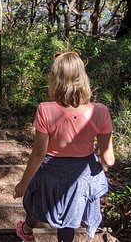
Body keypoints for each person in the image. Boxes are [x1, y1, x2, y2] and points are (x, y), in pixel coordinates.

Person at [13, 51, 115, 242]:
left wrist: (23, 182)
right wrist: (102, 163)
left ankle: (26, 230)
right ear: (82, 77)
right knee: (70, 218)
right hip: (81, 176)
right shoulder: (100, 111)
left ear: (56, 79)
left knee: (38, 199)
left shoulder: (46, 109)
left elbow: (38, 153)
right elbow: (108, 158)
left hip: (51, 172)